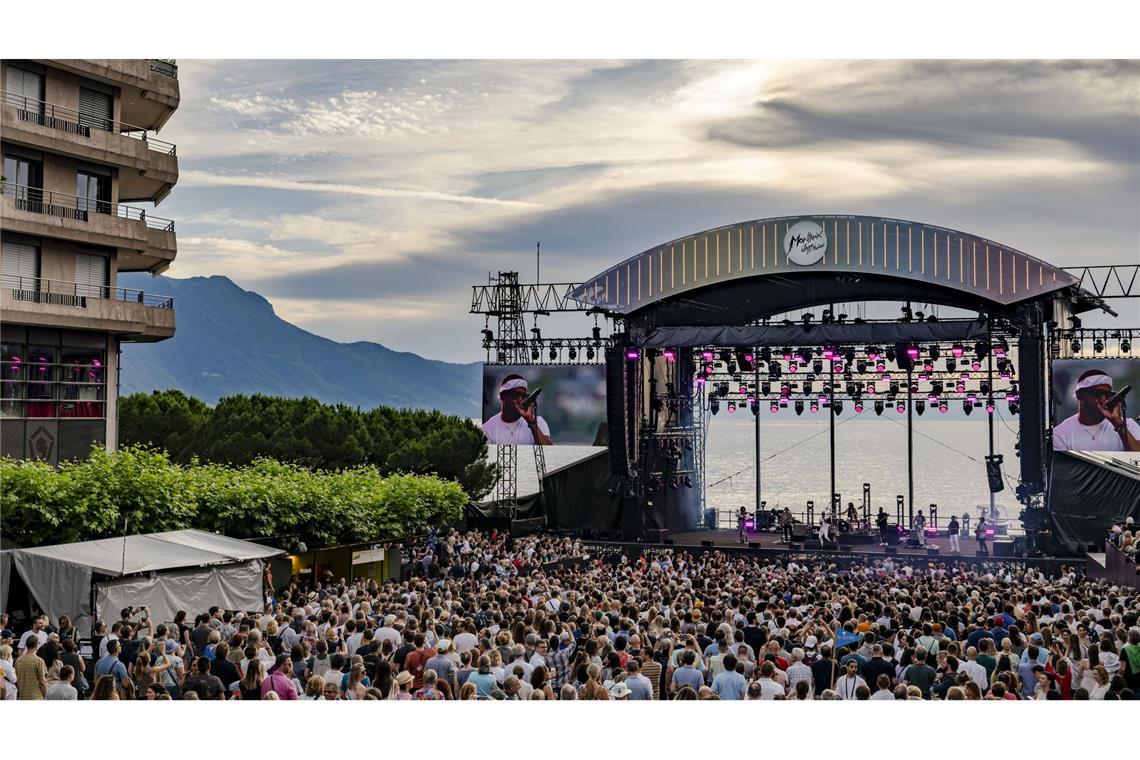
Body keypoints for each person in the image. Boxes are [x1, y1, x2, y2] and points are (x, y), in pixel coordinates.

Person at [1052, 368, 1140, 452]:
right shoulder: (1060, 434)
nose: (1103, 399)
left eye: (1108, 394)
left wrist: (1118, 423)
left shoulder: (1129, 426)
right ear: (1079, 395)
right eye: (1097, 393)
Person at [482, 374, 553, 445]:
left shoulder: (538, 422)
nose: (520, 400)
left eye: (523, 396)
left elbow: (548, 452)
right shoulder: (488, 429)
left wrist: (531, 423)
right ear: (503, 397)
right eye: (515, 395)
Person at [15, 635, 47, 700]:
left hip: (22, 697)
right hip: (37, 697)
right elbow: (43, 682)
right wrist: (46, 695)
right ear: (37, 645)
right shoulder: (39, 661)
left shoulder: (18, 660)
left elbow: (16, 680)